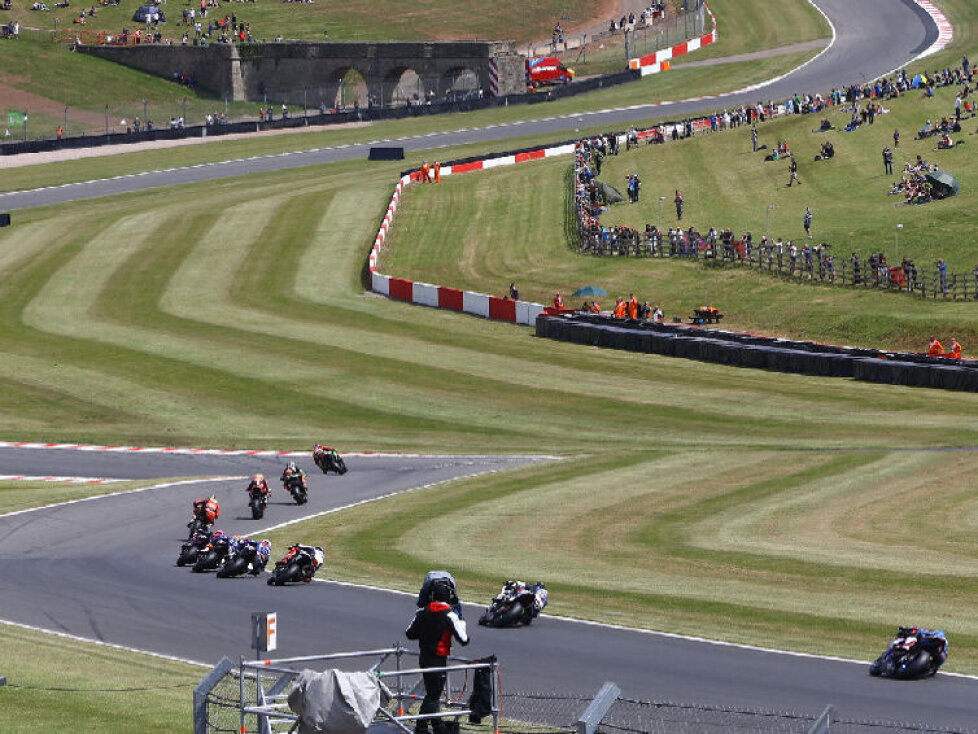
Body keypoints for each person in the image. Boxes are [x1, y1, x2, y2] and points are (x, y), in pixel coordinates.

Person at [405, 581, 469, 734]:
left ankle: (436, 725)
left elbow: (410, 633)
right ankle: (421, 727)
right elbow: (464, 639)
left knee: (432, 692)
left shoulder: (421, 612)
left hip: (424, 657)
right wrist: (460, 623)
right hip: (439, 658)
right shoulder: (450, 615)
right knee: (433, 695)